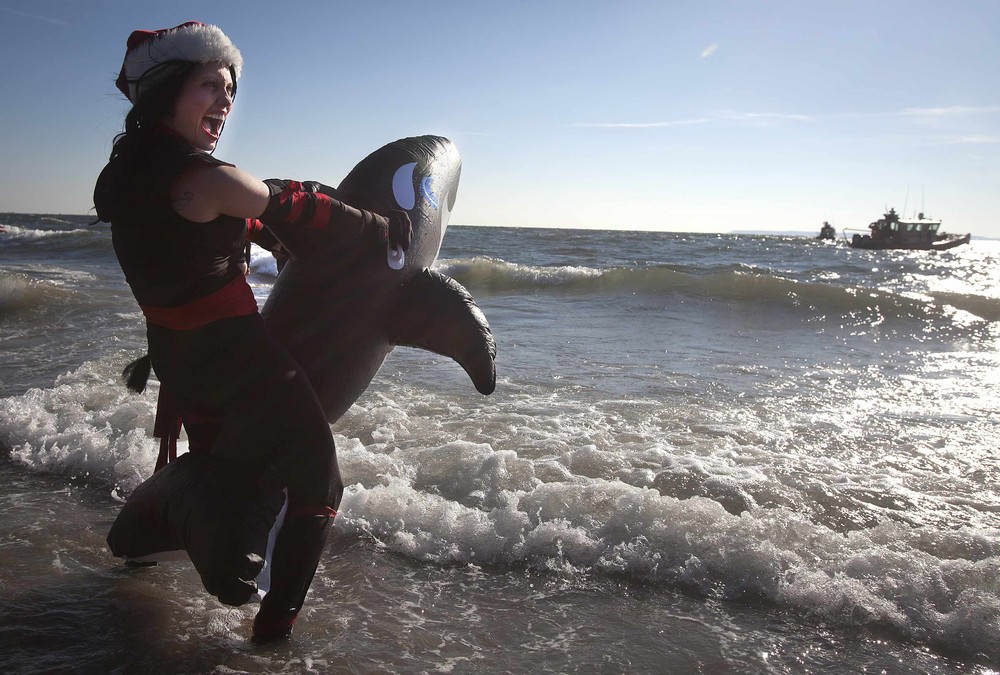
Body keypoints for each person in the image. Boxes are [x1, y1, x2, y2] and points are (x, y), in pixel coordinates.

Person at [93, 22, 411, 643]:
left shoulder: (128, 174)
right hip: (239, 361)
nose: (224, 101)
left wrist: (270, 232)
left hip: (180, 360)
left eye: (231, 89)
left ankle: (164, 543)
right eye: (210, 84)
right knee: (320, 481)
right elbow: (296, 207)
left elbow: (216, 234)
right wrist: (380, 228)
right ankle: (273, 632)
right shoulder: (208, 180)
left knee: (223, 466)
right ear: (166, 89)